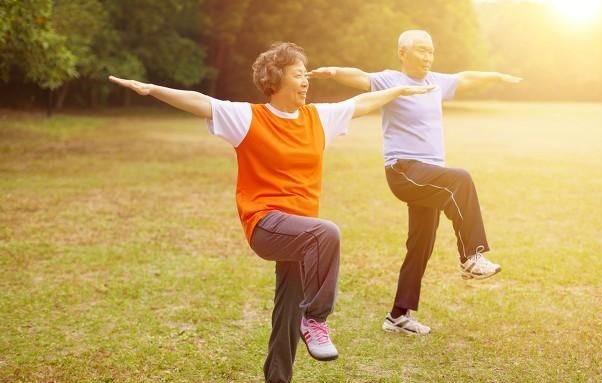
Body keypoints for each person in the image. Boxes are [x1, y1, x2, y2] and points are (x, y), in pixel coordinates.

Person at [109, 42, 434, 382]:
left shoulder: (318, 118)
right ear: (276, 80)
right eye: (298, 75)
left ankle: (278, 376)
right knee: (327, 233)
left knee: (287, 308)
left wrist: (398, 89)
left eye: (306, 74)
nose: (306, 81)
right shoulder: (248, 117)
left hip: (301, 233)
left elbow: (360, 103)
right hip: (265, 224)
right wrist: (151, 89)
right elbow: (201, 102)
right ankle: (317, 319)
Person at [308, 30, 522, 335]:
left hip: (430, 177)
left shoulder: (436, 82)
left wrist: (496, 77)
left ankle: (397, 316)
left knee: (421, 245)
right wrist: (333, 72)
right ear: (402, 53)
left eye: (431, 51)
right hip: (404, 169)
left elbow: (466, 77)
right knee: (460, 181)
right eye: (421, 50)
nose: (427, 56)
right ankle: (471, 257)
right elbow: (360, 77)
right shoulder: (390, 80)